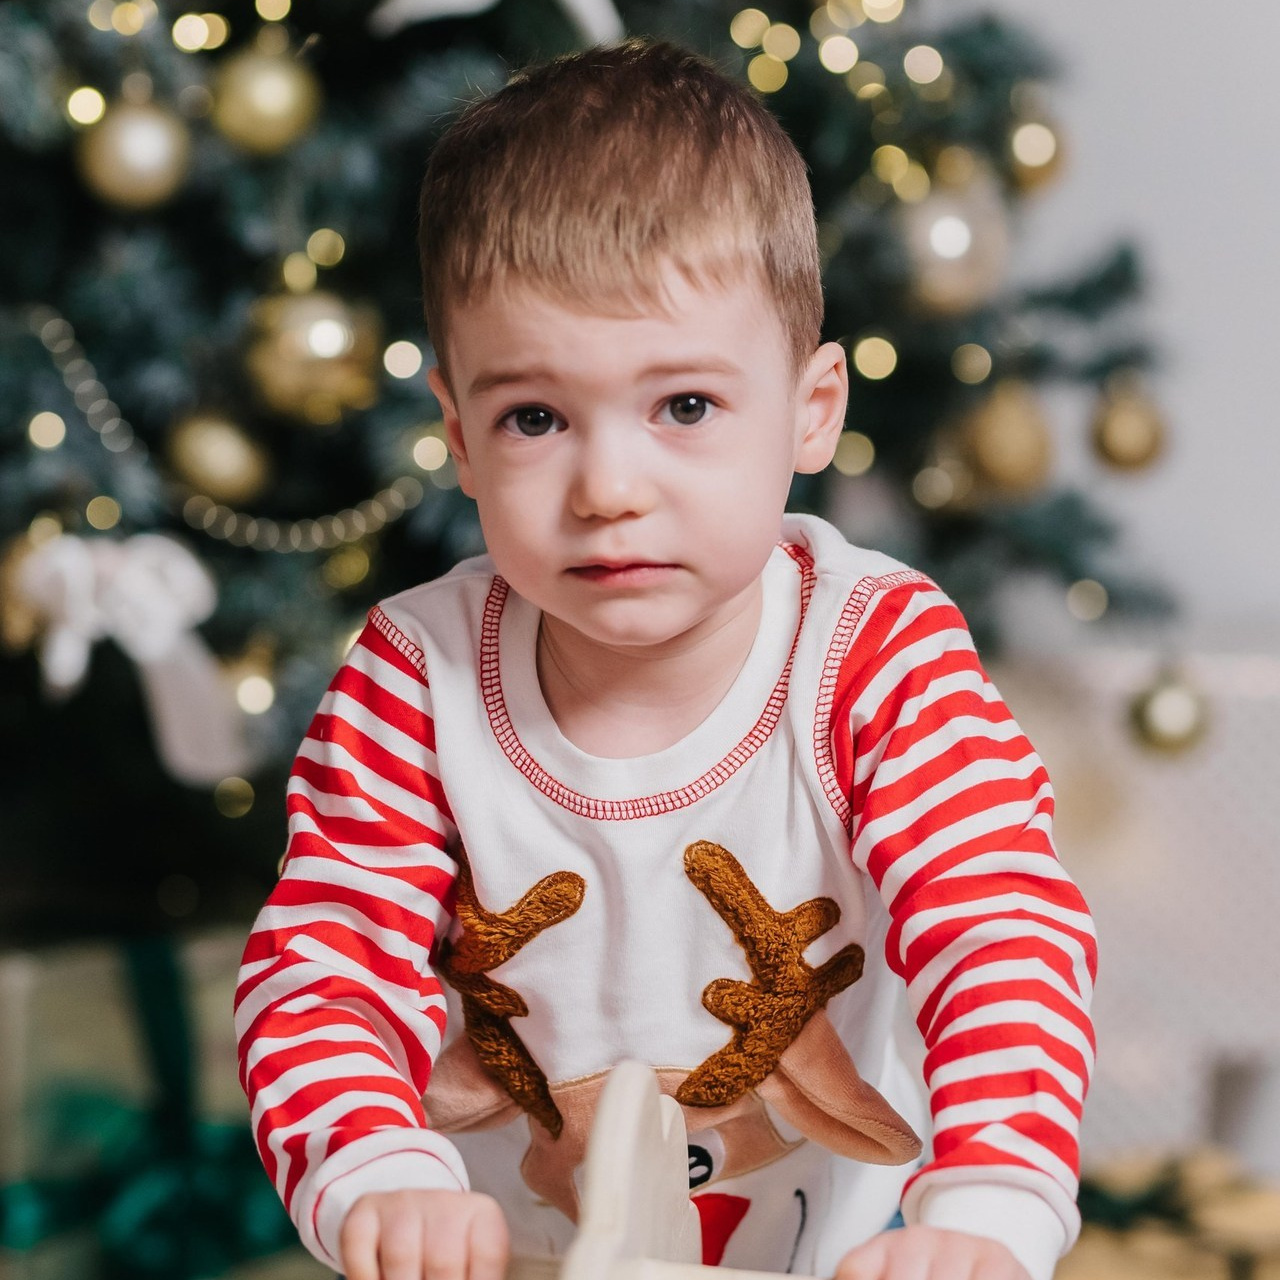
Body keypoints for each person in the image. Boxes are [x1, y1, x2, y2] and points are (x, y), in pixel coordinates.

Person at [235, 38, 1096, 1280]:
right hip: (499, 1256)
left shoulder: (875, 654)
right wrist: (375, 1169)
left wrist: (987, 1206)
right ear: (460, 438)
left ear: (810, 411)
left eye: (682, 406)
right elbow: (324, 956)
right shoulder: (409, 679)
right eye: (535, 417)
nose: (607, 489)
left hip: (837, 1258)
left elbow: (997, 924)